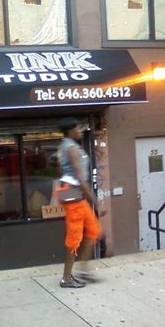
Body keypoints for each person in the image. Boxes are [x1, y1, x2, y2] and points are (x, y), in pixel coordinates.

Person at [57, 117, 102, 288]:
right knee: (74, 238)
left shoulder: (65, 146)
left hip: (73, 192)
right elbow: (80, 177)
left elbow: (60, 169)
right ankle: (66, 279)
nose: (81, 131)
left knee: (93, 230)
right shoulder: (71, 148)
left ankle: (83, 271)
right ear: (70, 131)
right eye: (77, 128)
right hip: (73, 192)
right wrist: (96, 202)